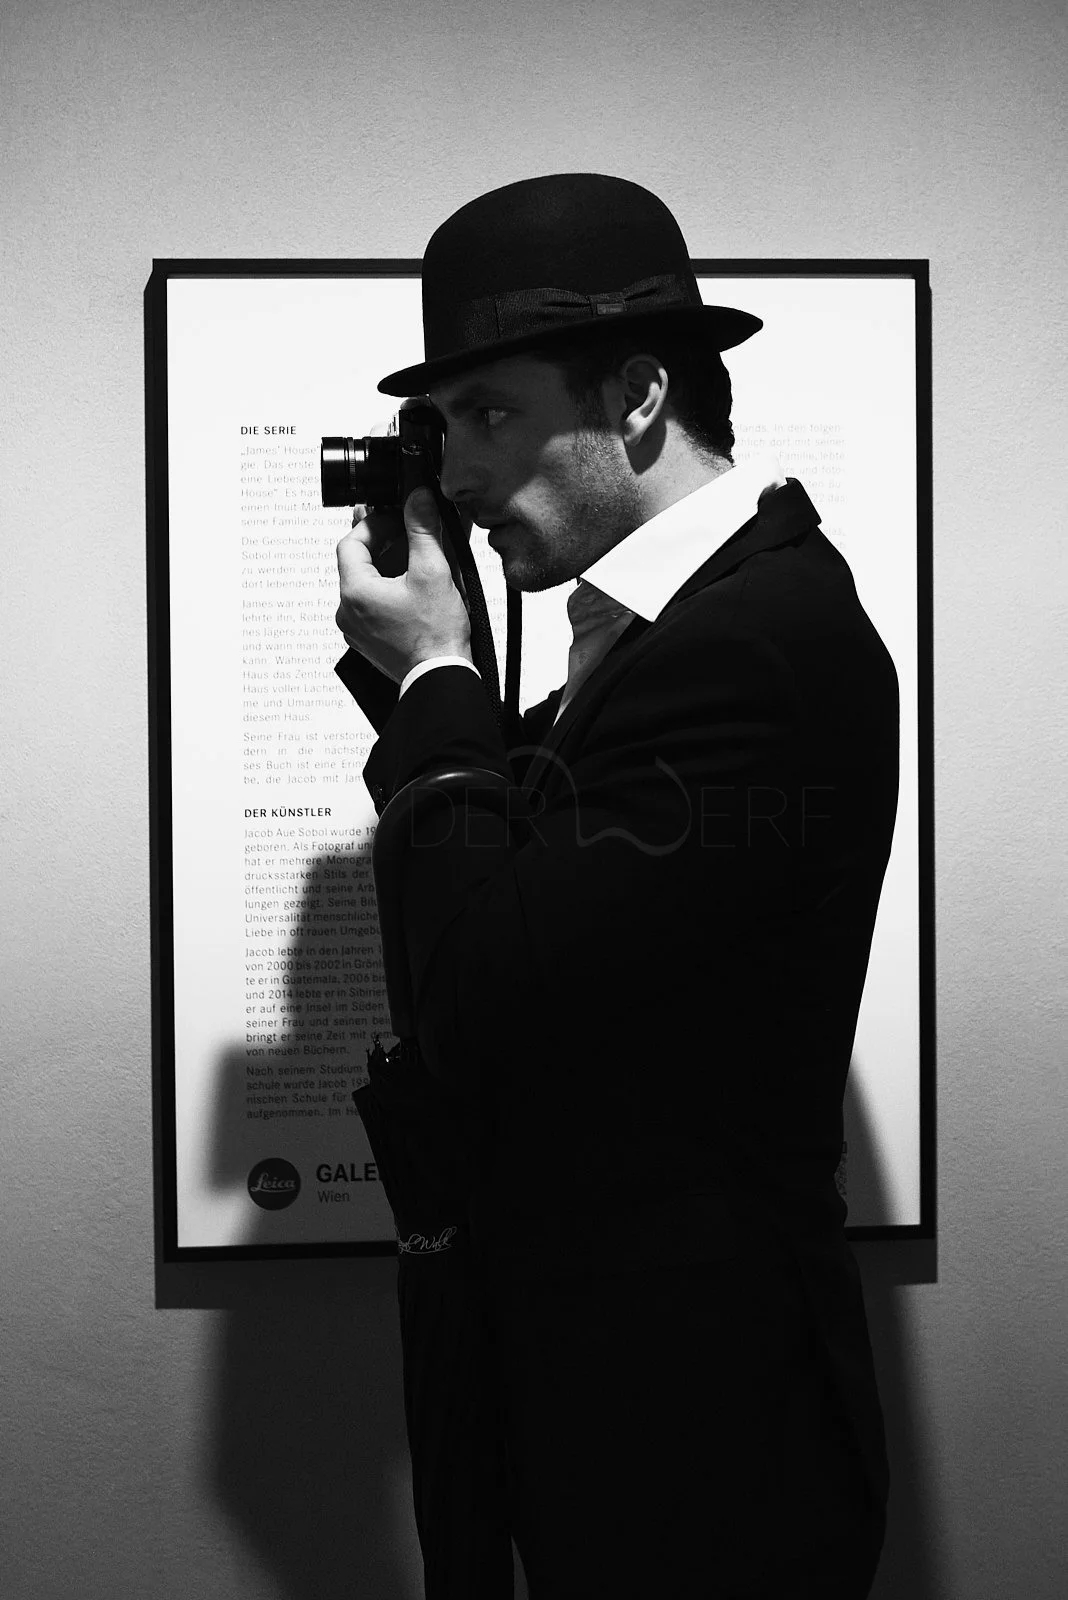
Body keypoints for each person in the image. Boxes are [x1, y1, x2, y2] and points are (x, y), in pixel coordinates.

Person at [334, 173, 898, 1599]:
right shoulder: (657, 628)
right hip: (627, 1397)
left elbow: (479, 982)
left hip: (703, 1441)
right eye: (447, 425)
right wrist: (433, 674)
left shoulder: (752, 644)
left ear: (639, 396)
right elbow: (530, 869)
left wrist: (443, 675)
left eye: (493, 415)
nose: (454, 473)